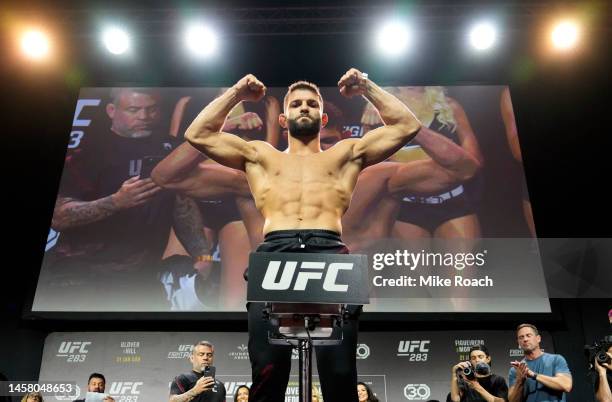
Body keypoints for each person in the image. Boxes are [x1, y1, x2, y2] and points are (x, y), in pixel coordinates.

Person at [182, 69, 420, 402]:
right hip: (275, 250)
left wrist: (366, 86)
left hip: (329, 249)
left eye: (311, 103)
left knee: (339, 373)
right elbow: (198, 133)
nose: (303, 108)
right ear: (283, 118)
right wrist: (237, 92)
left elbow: (408, 126)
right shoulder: (260, 156)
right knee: (267, 371)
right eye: (296, 104)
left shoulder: (345, 154)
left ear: (323, 118)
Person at [37, 88, 206, 311]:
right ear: (111, 110)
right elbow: (58, 217)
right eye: (134, 110)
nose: (144, 117)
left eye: (151, 109)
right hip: (80, 277)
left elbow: (182, 206)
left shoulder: (168, 149)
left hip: (141, 281)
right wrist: (116, 201)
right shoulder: (89, 153)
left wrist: (203, 257)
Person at [362, 86, 483, 242]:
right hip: (405, 206)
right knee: (413, 266)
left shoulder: (449, 106)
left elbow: (474, 161)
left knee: (462, 265)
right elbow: (369, 164)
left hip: (453, 201)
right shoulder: (375, 109)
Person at [508, 323, 572, 402]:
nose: (525, 339)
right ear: (518, 342)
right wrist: (519, 382)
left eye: (528, 335)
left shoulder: (556, 360)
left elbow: (566, 385)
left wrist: (533, 375)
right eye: (521, 337)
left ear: (538, 338)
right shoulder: (516, 370)